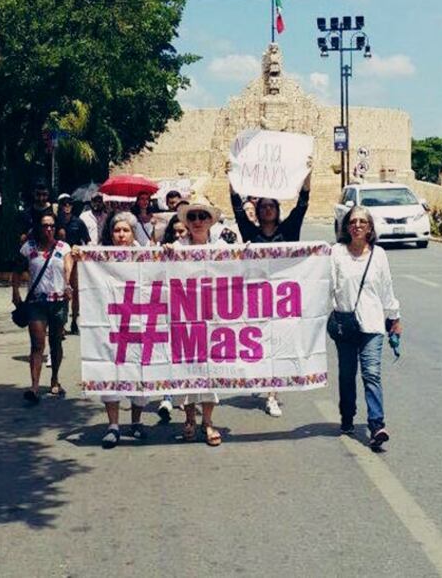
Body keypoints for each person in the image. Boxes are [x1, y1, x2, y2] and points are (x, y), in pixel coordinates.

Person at [226, 158, 313, 417]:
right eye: (262, 206)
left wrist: (307, 173)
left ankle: (272, 395)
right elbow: (237, 209)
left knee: (278, 344)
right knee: (259, 343)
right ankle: (262, 380)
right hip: (256, 297)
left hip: (283, 297)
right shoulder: (250, 233)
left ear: (276, 209)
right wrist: (231, 178)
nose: (266, 210)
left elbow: (303, 203)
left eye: (270, 206)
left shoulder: (289, 230)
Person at [330, 206, 401, 451]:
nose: (357, 225)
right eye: (353, 221)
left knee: (371, 374)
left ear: (370, 227)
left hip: (371, 323)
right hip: (345, 324)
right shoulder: (337, 253)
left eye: (362, 221)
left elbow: (386, 288)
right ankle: (347, 416)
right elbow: (327, 284)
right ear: (346, 227)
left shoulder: (379, 254)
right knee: (347, 374)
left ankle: (376, 425)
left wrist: (394, 318)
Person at [165, 202, 225, 446]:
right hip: (184, 316)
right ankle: (189, 418)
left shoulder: (221, 247)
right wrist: (164, 253)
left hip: (214, 317)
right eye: (193, 217)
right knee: (186, 369)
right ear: (187, 222)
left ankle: (207, 421)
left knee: (210, 370)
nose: (198, 220)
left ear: (210, 221)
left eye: (203, 216)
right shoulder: (178, 247)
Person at [95, 211, 149, 448]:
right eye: (117, 230)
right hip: (111, 321)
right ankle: (113, 425)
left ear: (133, 233)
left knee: (141, 371)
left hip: (140, 320)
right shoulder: (100, 257)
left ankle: (136, 422)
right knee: (111, 371)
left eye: (125, 230)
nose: (121, 235)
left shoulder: (146, 255)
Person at [12, 213, 72, 403]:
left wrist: (69, 284)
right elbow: (17, 270)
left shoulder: (63, 248)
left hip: (59, 301)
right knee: (37, 344)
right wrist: (15, 292)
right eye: (45, 225)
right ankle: (34, 386)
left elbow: (68, 267)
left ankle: (55, 379)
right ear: (38, 227)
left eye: (52, 226)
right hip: (36, 302)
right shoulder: (28, 248)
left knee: (56, 342)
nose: (48, 229)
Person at [56, 194, 89, 334]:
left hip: (75, 260)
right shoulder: (55, 222)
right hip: (58, 260)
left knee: (75, 292)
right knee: (61, 291)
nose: (67, 206)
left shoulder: (78, 222)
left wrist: (81, 251)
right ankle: (61, 323)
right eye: (64, 204)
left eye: (69, 203)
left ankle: (75, 321)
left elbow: (87, 241)